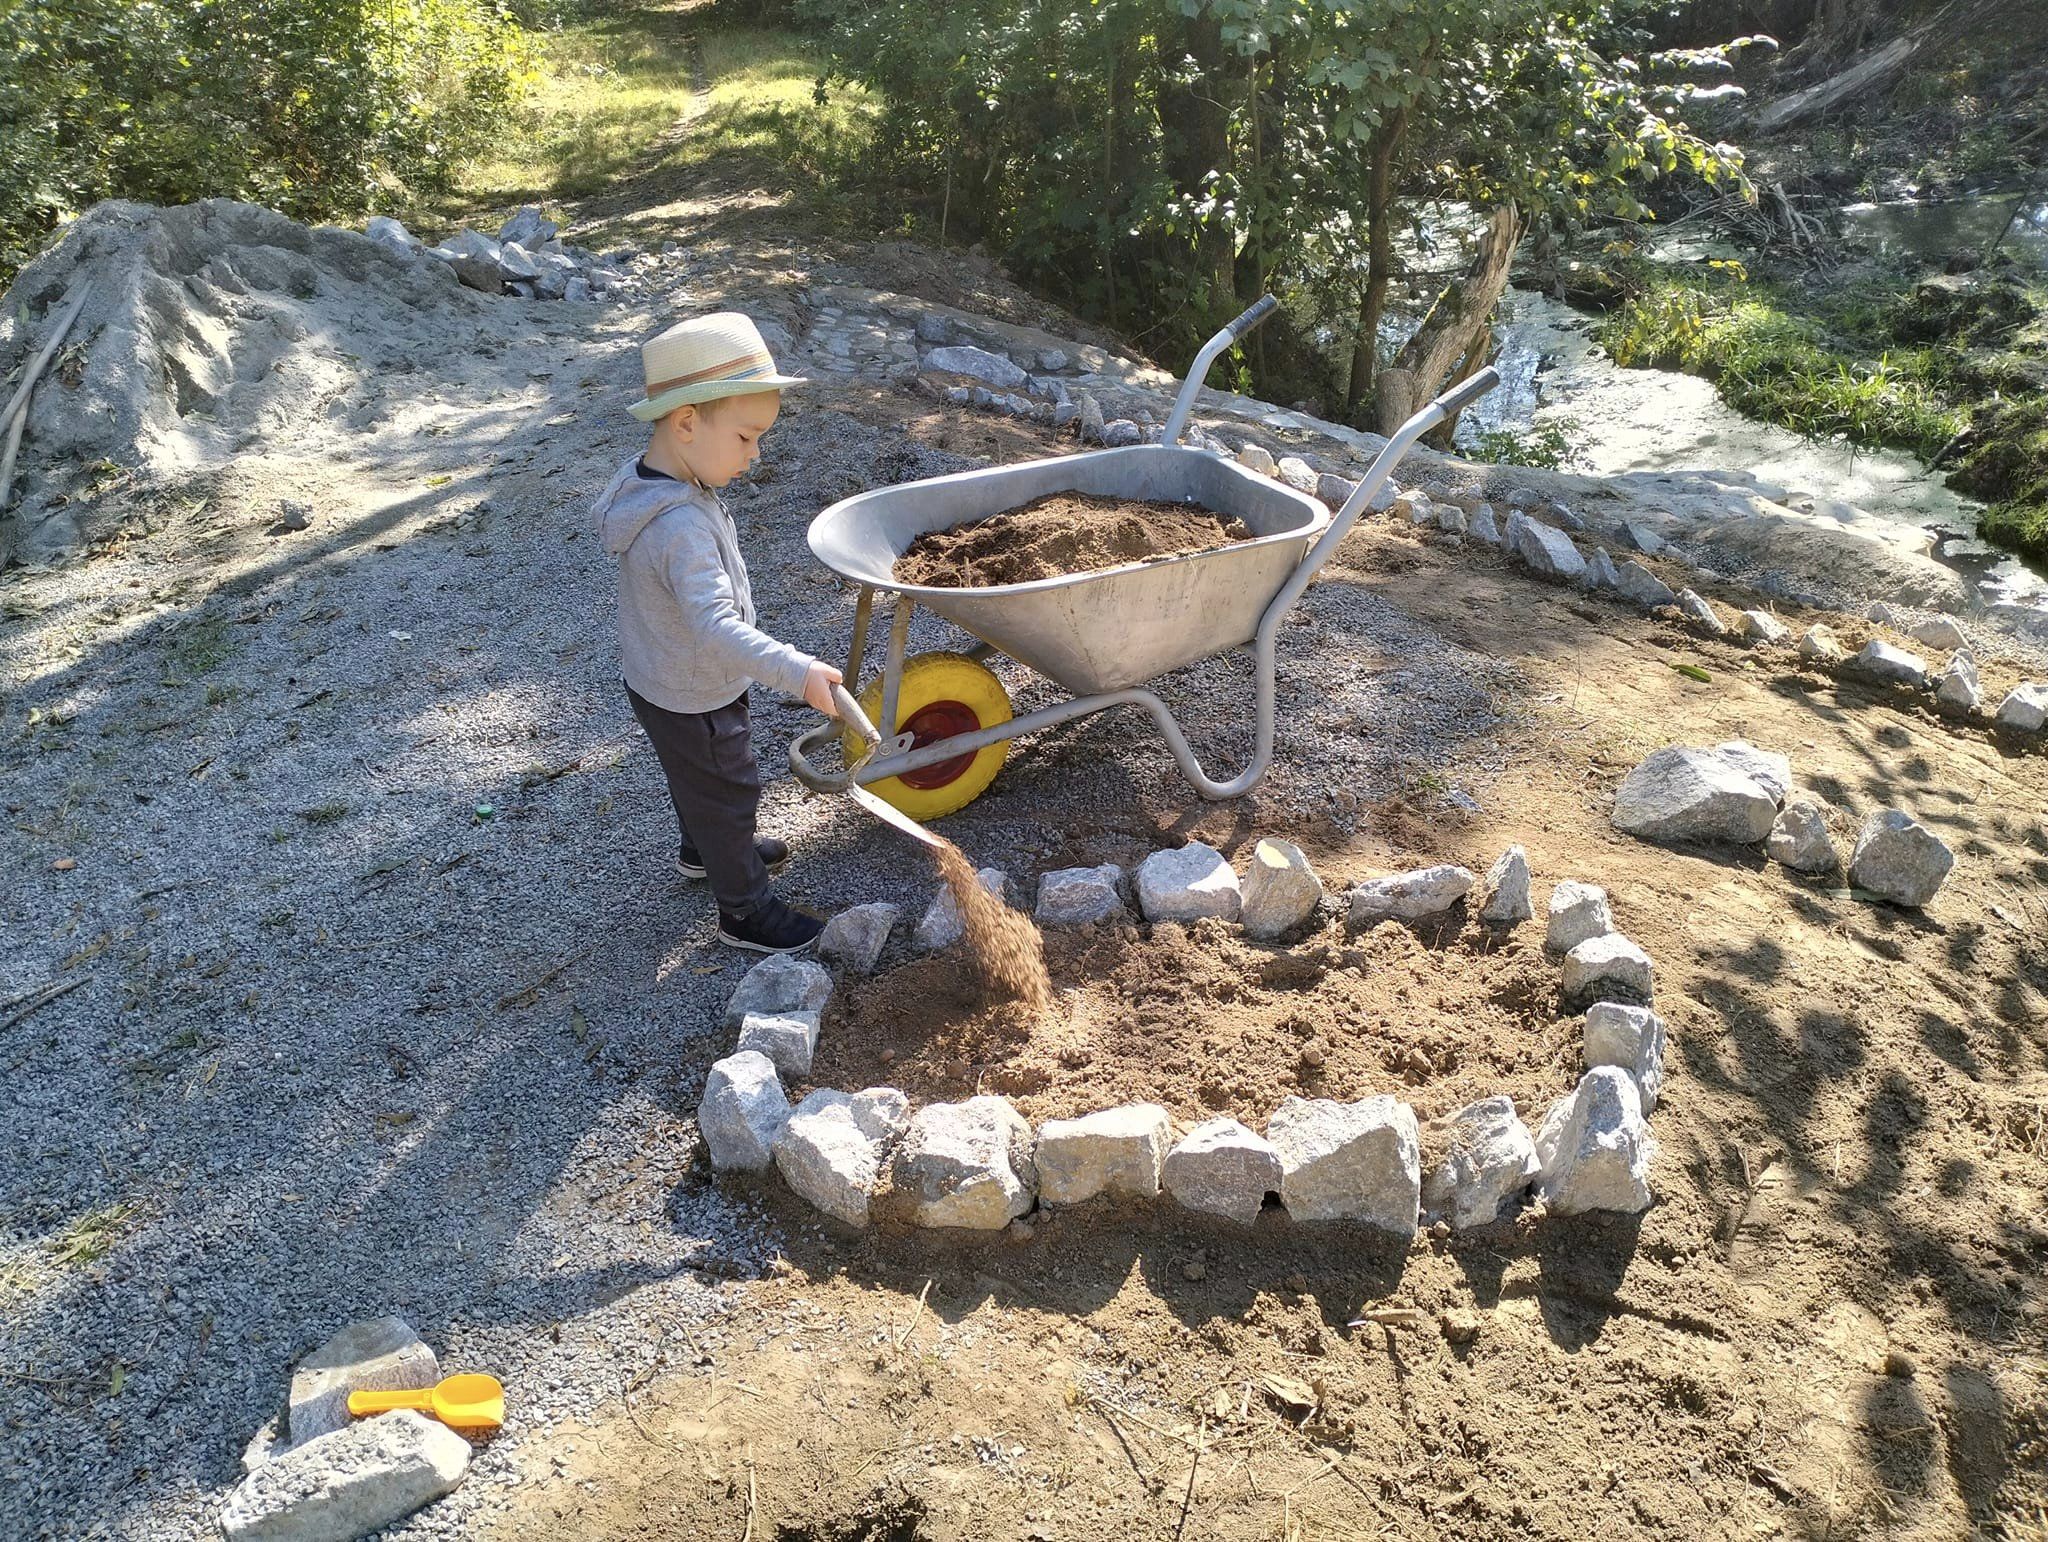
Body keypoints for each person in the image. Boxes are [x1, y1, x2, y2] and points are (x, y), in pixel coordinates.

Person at [595, 312, 842, 953]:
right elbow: (715, 627)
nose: (755, 454)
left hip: (657, 678)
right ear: (685, 424)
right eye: (745, 435)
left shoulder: (649, 482)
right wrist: (797, 670)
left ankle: (702, 849)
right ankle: (745, 909)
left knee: (694, 777)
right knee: (729, 789)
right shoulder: (678, 527)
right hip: (693, 686)